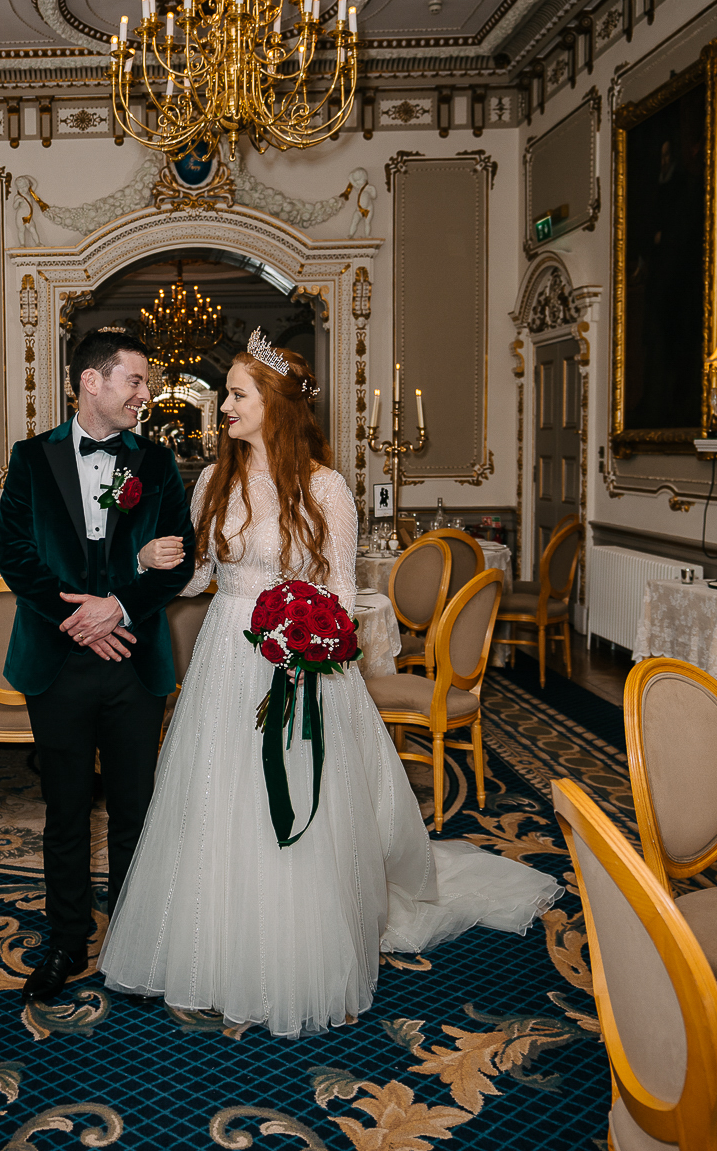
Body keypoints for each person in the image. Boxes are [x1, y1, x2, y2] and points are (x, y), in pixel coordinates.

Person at [99, 330, 562, 1038]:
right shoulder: (211, 482)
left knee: (293, 806)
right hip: (227, 654)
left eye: (237, 394)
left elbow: (341, 596)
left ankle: (300, 952)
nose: (223, 405)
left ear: (275, 406)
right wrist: (151, 557)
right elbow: (200, 577)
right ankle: (211, 945)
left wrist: (302, 633)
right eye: (225, 393)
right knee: (216, 797)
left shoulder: (325, 487)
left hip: (294, 664)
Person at [0, 327, 197, 1003]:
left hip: (134, 658)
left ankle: (136, 942)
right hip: (57, 659)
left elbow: (180, 559)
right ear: (91, 382)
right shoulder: (30, 459)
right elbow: (16, 556)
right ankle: (66, 939)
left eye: (145, 382)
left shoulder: (158, 464)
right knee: (65, 809)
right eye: (135, 381)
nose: (147, 393)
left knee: (136, 810)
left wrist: (117, 609)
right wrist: (76, 619)